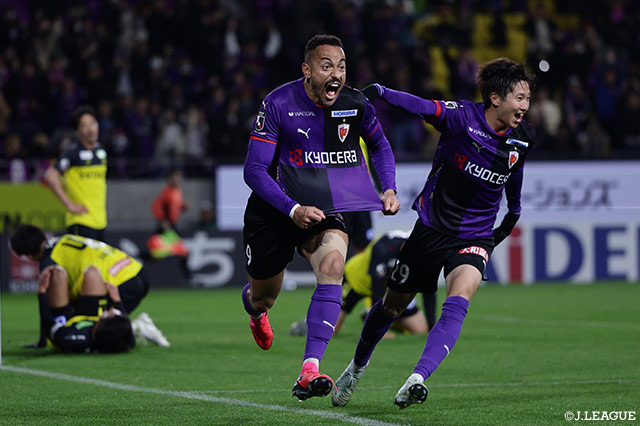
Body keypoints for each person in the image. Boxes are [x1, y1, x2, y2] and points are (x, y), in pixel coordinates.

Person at [332, 58, 536, 409]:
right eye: (519, 98)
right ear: (495, 98)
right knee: (391, 306)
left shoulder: (522, 139)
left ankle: (417, 378)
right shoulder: (461, 118)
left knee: (460, 298)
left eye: (527, 98)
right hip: (432, 229)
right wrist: (380, 92)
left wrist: (509, 219)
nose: (525, 106)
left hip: (474, 236)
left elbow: (513, 183)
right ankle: (356, 368)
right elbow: (420, 106)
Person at [241, 34, 400, 402]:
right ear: (307, 70)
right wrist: (292, 209)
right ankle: (255, 311)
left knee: (333, 264)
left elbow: (380, 145)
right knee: (264, 298)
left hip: (325, 208)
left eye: (341, 66)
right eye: (327, 66)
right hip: (275, 210)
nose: (336, 74)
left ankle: (309, 369)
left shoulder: (354, 104)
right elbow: (254, 170)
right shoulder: (278, 103)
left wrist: (389, 188)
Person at [10, 224, 169, 348]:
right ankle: (131, 327)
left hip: (120, 282)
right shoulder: (65, 239)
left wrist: (43, 339)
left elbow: (48, 299)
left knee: (89, 328)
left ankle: (135, 328)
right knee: (91, 318)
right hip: (137, 271)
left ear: (29, 256)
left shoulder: (48, 261)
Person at [36, 263, 135, 353]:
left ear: (99, 325)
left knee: (57, 273)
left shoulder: (69, 337)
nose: (112, 310)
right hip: (90, 318)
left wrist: (42, 292)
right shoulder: (121, 340)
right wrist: (117, 300)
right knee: (92, 272)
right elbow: (126, 331)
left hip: (65, 323)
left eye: (111, 314)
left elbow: (48, 325)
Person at [44, 105, 107, 241]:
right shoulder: (73, 154)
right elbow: (50, 177)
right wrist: (69, 205)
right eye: (84, 125)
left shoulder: (101, 152)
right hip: (81, 221)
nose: (90, 129)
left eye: (93, 123)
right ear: (78, 132)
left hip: (101, 222)